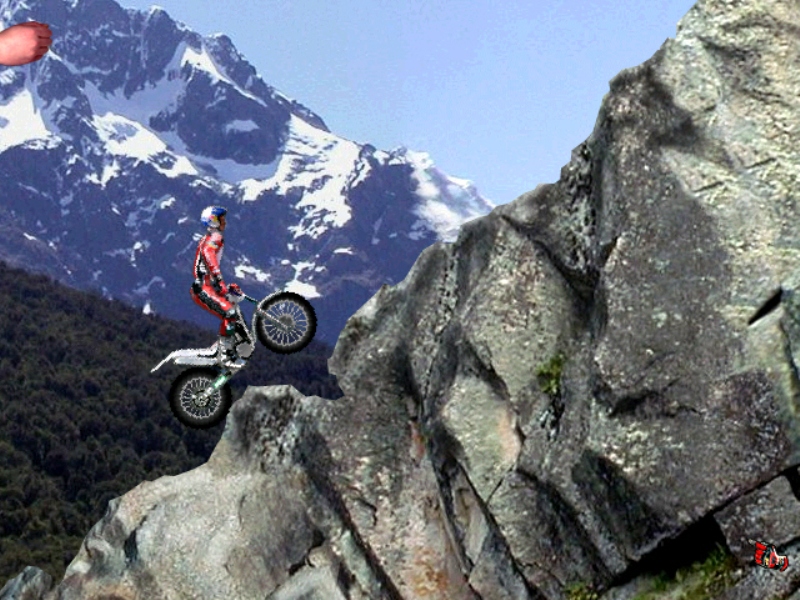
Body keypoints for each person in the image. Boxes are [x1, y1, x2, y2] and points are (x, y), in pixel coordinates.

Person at [190, 206, 247, 367]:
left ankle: (226, 348)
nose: (225, 222)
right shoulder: (215, 237)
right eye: (222, 219)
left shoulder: (209, 237)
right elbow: (209, 255)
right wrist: (219, 278)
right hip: (203, 287)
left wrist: (224, 286)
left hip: (206, 286)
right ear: (213, 221)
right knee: (229, 312)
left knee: (233, 313)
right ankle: (225, 355)